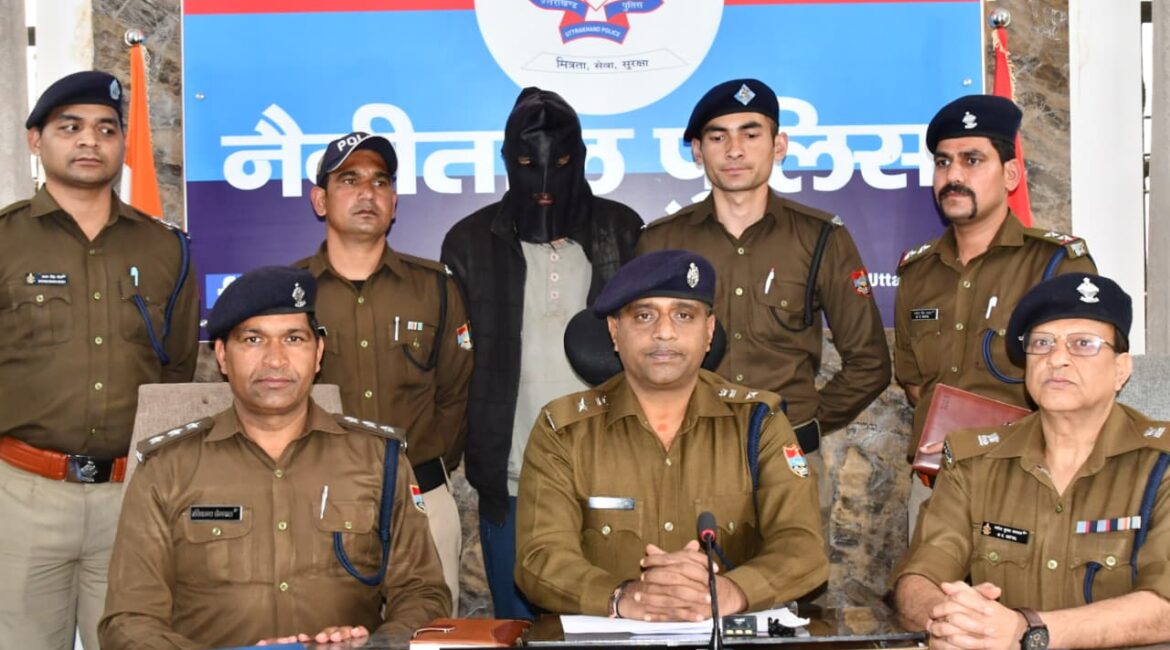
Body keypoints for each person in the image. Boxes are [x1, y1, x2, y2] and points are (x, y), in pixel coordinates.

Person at [99, 266, 450, 648]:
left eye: (293, 338)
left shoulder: (377, 459)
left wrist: (374, 645)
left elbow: (423, 594)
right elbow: (128, 621)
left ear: (318, 353)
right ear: (222, 356)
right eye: (253, 340)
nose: (275, 359)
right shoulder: (167, 468)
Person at [515, 250, 827, 619]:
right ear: (615, 332)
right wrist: (624, 597)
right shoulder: (563, 430)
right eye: (644, 316)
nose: (664, 332)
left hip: (726, 637)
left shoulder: (758, 423)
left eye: (684, 315)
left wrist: (730, 593)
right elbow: (540, 556)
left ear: (708, 331)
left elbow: (802, 546)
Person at [0, 70, 198, 649]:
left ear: (121, 145)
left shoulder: (166, 248)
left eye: (106, 129)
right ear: (35, 140)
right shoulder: (6, 241)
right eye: (71, 127)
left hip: (130, 496)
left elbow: (177, 370)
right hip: (21, 494)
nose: (90, 140)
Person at [636, 79, 890, 526]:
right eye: (718, 137)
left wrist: (800, 422)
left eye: (750, 134)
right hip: (688, 463)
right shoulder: (660, 242)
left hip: (788, 464)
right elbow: (633, 354)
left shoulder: (821, 238)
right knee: (689, 573)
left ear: (779, 145)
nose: (735, 150)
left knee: (795, 572)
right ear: (697, 151)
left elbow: (869, 362)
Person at [441, 87, 642, 618]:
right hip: (512, 484)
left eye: (562, 162)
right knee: (520, 632)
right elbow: (453, 368)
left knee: (617, 625)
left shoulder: (624, 232)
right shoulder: (468, 243)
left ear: (582, 158)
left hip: (611, 479)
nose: (546, 181)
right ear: (508, 160)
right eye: (529, 164)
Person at [893, 273, 1170, 649]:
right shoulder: (975, 460)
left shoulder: (1161, 464)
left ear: (1121, 369)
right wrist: (949, 621)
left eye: (1083, 344)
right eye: (1042, 343)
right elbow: (918, 578)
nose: (1057, 359)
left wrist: (1028, 631)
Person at [894, 95, 1096, 534]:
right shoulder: (917, 272)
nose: (954, 176)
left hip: (1026, 484)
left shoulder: (1055, 264)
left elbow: (1085, 385)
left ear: (1010, 175)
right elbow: (914, 384)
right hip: (935, 488)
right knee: (925, 581)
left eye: (972, 160)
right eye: (943, 162)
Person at [294, 131, 472, 610]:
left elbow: (456, 394)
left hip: (421, 498)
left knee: (430, 634)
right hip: (319, 503)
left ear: (394, 202)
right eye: (349, 180)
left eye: (380, 181)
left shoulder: (435, 287)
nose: (367, 193)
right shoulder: (291, 293)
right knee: (329, 636)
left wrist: (422, 465)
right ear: (320, 200)